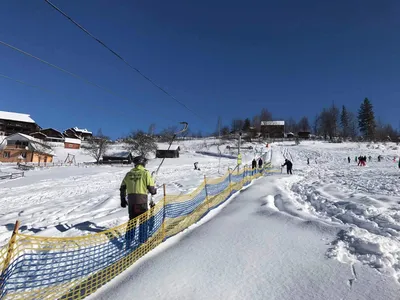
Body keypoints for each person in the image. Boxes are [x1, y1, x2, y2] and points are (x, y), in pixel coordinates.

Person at [120, 156, 157, 244]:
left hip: (131, 201)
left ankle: (128, 239)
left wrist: (122, 199)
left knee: (132, 221)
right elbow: (151, 189)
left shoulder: (128, 174)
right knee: (143, 221)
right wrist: (154, 191)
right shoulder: (145, 173)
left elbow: (122, 187)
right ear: (143, 163)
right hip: (141, 201)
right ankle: (142, 241)